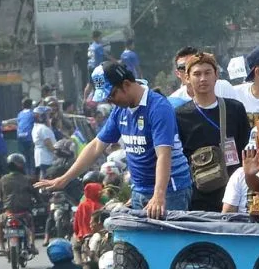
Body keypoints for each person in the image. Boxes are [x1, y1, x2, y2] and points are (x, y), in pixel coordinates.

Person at [41, 62, 193, 218]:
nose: (110, 102)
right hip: (139, 190)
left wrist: (159, 195)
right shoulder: (120, 111)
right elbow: (95, 146)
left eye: (112, 95)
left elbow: (163, 154)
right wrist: (65, 179)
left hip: (170, 191)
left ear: (126, 84)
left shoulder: (158, 108)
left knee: (166, 241)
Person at [176, 52, 253, 212]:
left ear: (216, 75)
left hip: (233, 191)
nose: (203, 78)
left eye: (207, 73)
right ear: (187, 78)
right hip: (198, 194)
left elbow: (245, 148)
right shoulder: (179, 115)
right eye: (197, 74)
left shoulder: (235, 109)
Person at [0, 154, 38, 251]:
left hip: (8, 213)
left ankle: (2, 247)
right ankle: (32, 245)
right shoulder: (27, 179)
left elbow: (1, 196)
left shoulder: (3, 179)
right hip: (24, 213)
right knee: (31, 224)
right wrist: (40, 201)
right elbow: (35, 194)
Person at [31, 105, 59, 179]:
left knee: (43, 177)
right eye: (47, 115)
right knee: (46, 177)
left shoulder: (37, 127)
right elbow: (48, 144)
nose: (49, 118)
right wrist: (57, 153)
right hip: (46, 158)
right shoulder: (42, 128)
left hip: (41, 157)